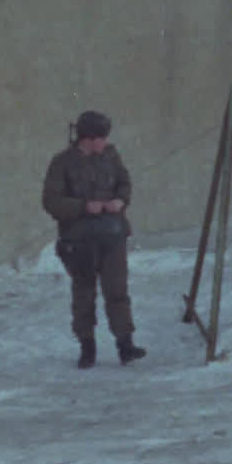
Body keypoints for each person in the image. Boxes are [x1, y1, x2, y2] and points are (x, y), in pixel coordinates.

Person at [41, 109, 144, 369]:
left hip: (112, 234)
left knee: (117, 292)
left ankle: (126, 345)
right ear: (87, 138)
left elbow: (124, 181)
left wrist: (121, 200)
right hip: (80, 240)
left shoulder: (110, 156)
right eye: (101, 138)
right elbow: (51, 201)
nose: (105, 143)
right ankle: (87, 348)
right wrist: (84, 207)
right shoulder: (62, 163)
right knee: (84, 295)